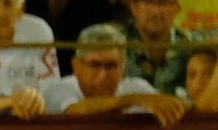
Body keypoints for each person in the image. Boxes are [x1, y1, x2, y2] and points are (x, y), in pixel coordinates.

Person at [39, 23, 185, 124]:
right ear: (76, 66)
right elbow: (75, 112)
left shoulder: (137, 88)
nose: (103, 74)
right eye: (94, 65)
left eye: (111, 65)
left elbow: (174, 107)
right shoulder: (58, 90)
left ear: (123, 68)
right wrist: (133, 100)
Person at [126, 0, 178, 87]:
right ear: (134, 7)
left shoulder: (192, 49)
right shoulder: (114, 47)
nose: (156, 11)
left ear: (176, 8)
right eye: (148, 2)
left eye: (163, 2)